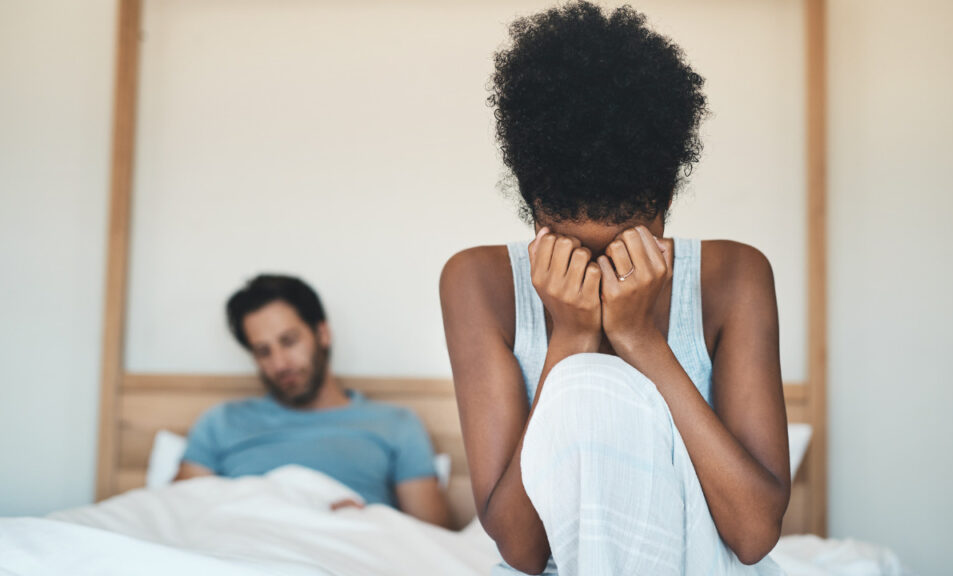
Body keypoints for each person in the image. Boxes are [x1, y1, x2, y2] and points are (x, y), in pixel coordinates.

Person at [440, 2, 789, 574]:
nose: (602, 273)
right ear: (534, 213)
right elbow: (523, 551)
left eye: (627, 243)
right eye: (574, 246)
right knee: (585, 383)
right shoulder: (477, 282)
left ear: (668, 204)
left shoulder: (736, 277)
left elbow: (753, 534)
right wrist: (570, 340)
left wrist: (640, 337)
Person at [175, 274, 449, 527]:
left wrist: (367, 522)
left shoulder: (395, 424)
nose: (280, 363)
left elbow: (431, 539)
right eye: (263, 351)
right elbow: (174, 515)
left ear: (322, 334)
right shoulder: (221, 422)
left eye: (289, 341)